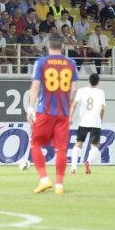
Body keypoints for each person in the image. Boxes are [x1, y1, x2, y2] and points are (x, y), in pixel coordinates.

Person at [27, 33, 77, 195]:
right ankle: (59, 185)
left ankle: (44, 179)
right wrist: (68, 107)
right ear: (62, 46)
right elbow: (74, 89)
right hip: (63, 113)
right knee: (61, 149)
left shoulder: (41, 62)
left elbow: (35, 87)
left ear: (47, 45)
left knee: (35, 144)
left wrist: (30, 108)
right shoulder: (71, 63)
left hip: (45, 111)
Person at [70, 73, 106, 175]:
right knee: (95, 146)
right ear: (98, 82)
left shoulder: (81, 91)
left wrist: (70, 117)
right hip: (95, 121)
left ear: (88, 80)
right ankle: (88, 162)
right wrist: (100, 119)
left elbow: (74, 105)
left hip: (84, 121)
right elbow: (102, 108)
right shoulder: (101, 92)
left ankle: (73, 167)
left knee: (78, 144)